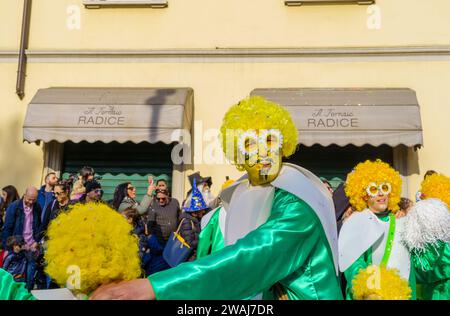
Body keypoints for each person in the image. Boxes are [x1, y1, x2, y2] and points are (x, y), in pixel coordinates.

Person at [91, 96, 342, 300]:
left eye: (270, 140)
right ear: (238, 154)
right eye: (251, 144)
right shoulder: (241, 195)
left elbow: (253, 257)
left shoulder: (297, 201)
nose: (264, 151)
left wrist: (156, 288)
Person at [338, 160, 416, 300]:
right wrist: (371, 291)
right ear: (364, 195)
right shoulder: (356, 222)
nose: (381, 194)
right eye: (373, 189)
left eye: (385, 188)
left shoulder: (402, 222)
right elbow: (354, 264)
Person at [2, 187, 44, 290]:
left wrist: (36, 241)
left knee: (29, 278)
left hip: (31, 247)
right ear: (24, 195)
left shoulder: (37, 207)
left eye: (34, 199)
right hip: (17, 247)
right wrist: (8, 248)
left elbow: (38, 226)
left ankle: (27, 293)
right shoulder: (14, 206)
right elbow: (7, 228)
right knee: (14, 278)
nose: (31, 202)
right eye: (29, 199)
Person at [144, 189, 181, 275]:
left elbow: (179, 217)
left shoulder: (175, 202)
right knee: (158, 267)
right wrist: (153, 240)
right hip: (159, 242)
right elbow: (150, 225)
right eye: (158, 198)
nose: (160, 201)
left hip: (173, 241)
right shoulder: (153, 204)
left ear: (168, 196)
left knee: (171, 266)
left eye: (163, 198)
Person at [178, 179, 209, 262]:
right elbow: (189, 243)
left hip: (196, 256)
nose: (203, 211)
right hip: (190, 259)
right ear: (195, 211)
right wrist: (204, 239)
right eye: (201, 209)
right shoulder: (187, 221)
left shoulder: (197, 219)